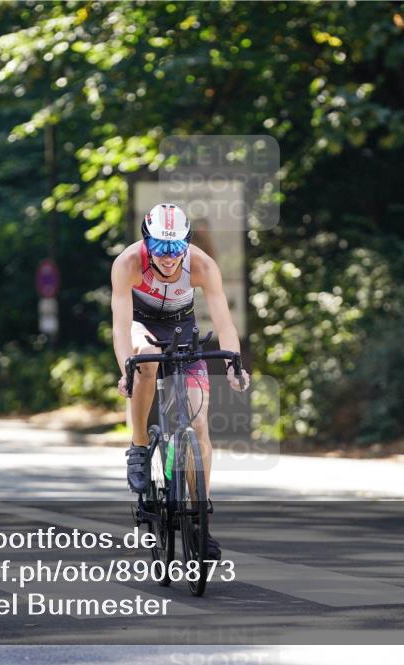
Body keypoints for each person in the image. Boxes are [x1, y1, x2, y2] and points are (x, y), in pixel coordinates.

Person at [110, 203, 249, 559]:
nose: (169, 256)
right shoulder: (127, 264)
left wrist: (234, 364)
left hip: (182, 329)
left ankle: (200, 523)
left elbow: (224, 324)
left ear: (187, 243)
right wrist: (125, 368)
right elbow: (121, 326)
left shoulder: (202, 264)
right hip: (141, 325)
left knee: (199, 424)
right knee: (144, 359)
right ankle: (139, 445)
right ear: (147, 242)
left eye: (176, 247)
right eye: (160, 246)